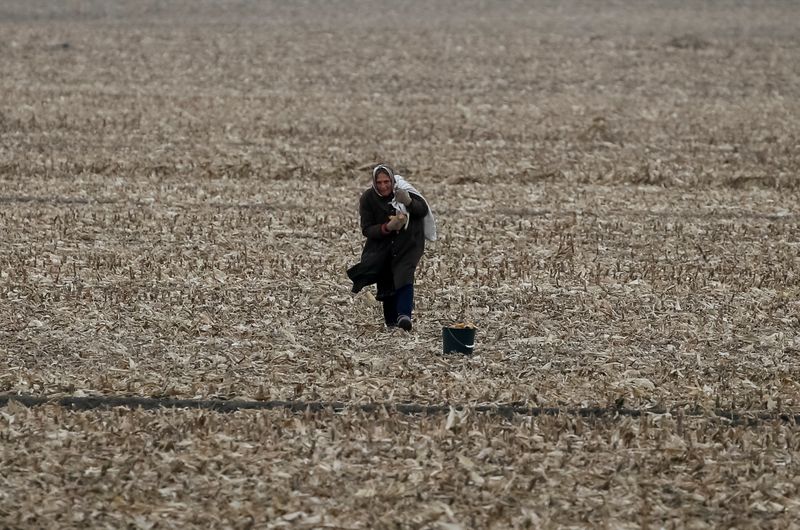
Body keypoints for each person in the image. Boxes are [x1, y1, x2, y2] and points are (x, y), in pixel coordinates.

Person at [347, 164, 436, 331]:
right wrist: (387, 227)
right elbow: (366, 228)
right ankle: (391, 323)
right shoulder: (368, 198)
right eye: (379, 182)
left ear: (392, 180)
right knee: (386, 278)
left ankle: (404, 316)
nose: (383, 186)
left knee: (404, 274)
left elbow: (422, 210)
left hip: (409, 243)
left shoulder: (403, 190)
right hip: (383, 245)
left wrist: (408, 202)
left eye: (386, 181)